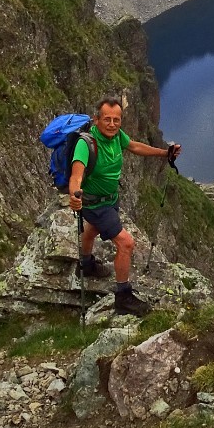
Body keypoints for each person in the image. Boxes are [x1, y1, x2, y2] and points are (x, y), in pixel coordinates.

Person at [68, 96, 181, 316]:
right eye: (107, 119)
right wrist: (74, 195)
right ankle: (123, 296)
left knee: (91, 229)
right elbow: (76, 175)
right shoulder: (86, 144)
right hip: (94, 203)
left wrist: (163, 153)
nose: (112, 124)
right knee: (127, 243)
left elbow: (134, 146)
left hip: (110, 199)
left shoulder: (117, 136)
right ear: (96, 119)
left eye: (116, 120)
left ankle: (87, 264)